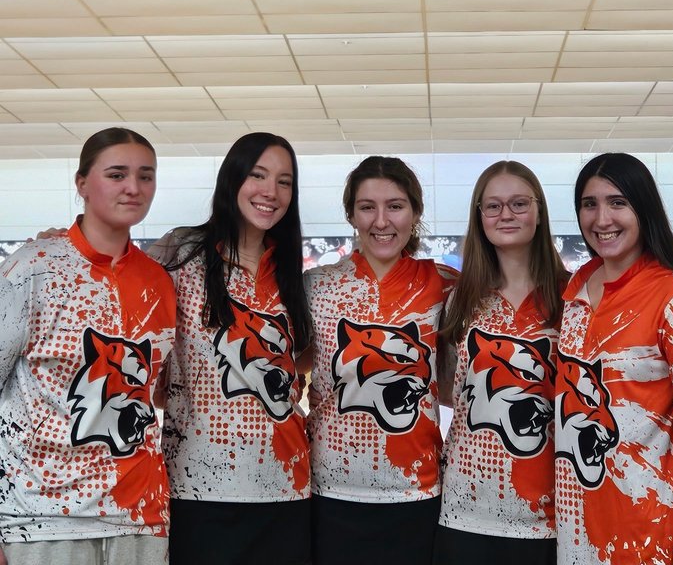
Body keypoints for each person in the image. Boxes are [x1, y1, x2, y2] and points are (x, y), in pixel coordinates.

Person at [0, 127, 176, 565]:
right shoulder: (31, 269)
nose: (133, 187)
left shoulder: (158, 281)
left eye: (145, 175)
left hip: (140, 513)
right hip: (40, 515)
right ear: (82, 184)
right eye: (116, 174)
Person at [554, 152, 673, 565]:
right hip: (580, 534)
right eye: (589, 204)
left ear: (643, 208)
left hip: (653, 535)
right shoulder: (574, 293)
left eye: (618, 202)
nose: (602, 219)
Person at [153, 133, 311, 565]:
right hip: (198, 487)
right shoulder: (180, 253)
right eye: (258, 175)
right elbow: (118, 282)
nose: (270, 192)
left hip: (287, 487)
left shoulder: (293, 274)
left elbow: (304, 362)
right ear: (232, 178)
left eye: (284, 181)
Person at [304, 155, 457, 565]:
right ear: (351, 214)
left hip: (417, 489)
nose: (381, 221)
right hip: (329, 489)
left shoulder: (443, 285)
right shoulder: (315, 287)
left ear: (416, 212)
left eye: (395, 205)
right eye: (367, 207)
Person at [434, 160, 568, 565]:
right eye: (492, 206)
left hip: (549, 513)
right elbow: (447, 392)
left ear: (540, 211)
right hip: (464, 507)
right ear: (480, 216)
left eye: (519, 203)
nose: (505, 214)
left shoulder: (574, 298)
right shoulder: (460, 300)